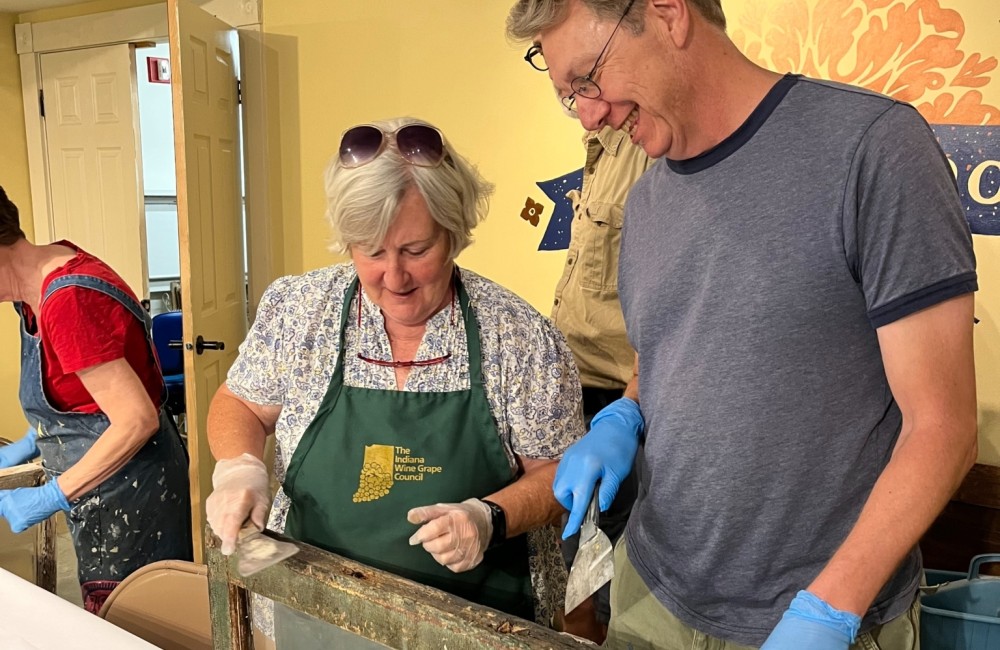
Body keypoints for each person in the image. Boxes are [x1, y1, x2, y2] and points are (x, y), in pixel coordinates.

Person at [507, 1, 979, 649]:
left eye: (589, 79)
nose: (590, 114)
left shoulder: (872, 148)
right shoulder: (646, 202)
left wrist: (828, 613)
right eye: (570, 97)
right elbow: (663, 358)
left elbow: (944, 428)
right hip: (653, 595)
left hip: (820, 613)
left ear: (668, 14)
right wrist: (624, 416)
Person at [203, 117, 583, 626]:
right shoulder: (300, 309)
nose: (394, 277)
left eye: (415, 250)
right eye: (372, 252)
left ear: (453, 234)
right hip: (313, 608)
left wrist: (489, 519)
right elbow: (242, 402)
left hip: (470, 621)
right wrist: (239, 467)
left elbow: (559, 471)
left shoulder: (518, 335)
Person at [0, 185, 193, 613]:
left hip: (129, 493)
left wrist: (50, 496)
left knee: (142, 620)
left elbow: (135, 420)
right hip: (105, 486)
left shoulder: (68, 300)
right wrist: (34, 443)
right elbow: (86, 399)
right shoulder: (32, 288)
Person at [540, 114, 655, 640]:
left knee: (609, 581)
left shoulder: (649, 146)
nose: (581, 108)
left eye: (583, 84)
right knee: (574, 558)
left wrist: (628, 409)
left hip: (626, 396)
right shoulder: (603, 145)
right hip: (578, 388)